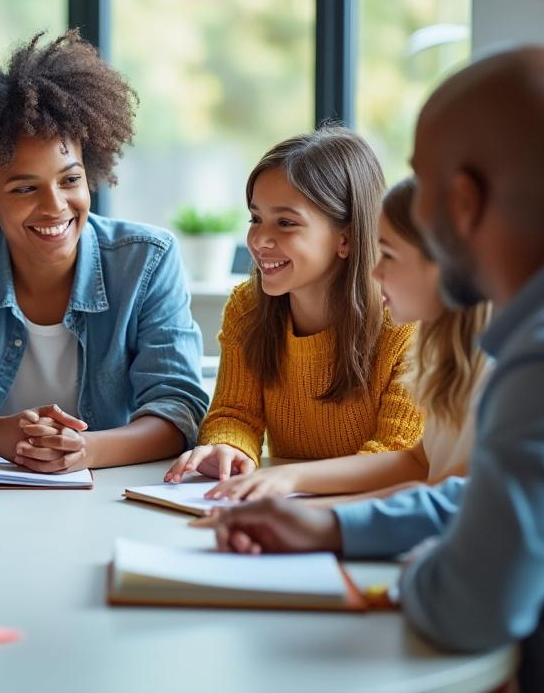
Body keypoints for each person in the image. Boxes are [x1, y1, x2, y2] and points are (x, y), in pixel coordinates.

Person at [192, 46, 544, 691]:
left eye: (423, 184)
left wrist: (415, 564)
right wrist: (333, 525)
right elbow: (490, 497)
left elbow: (466, 607)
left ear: (464, 202)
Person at [0, 30, 209, 472]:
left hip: (106, 496)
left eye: (70, 180)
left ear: (90, 176)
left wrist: (86, 451)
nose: (55, 206)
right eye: (25, 188)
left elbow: (177, 409)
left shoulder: (146, 259)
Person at [206, 177, 490, 502]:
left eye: (388, 254)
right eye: (255, 218)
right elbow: (419, 467)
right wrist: (285, 484)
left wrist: (303, 501)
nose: (375, 271)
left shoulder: (477, 364)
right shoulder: (449, 358)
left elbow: (433, 494)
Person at [164, 128, 423, 483]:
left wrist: (291, 482)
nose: (258, 239)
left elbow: (396, 456)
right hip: (285, 507)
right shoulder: (248, 306)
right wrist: (230, 448)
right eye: (256, 218)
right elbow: (234, 412)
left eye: (285, 223)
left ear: (345, 237)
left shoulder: (408, 322)